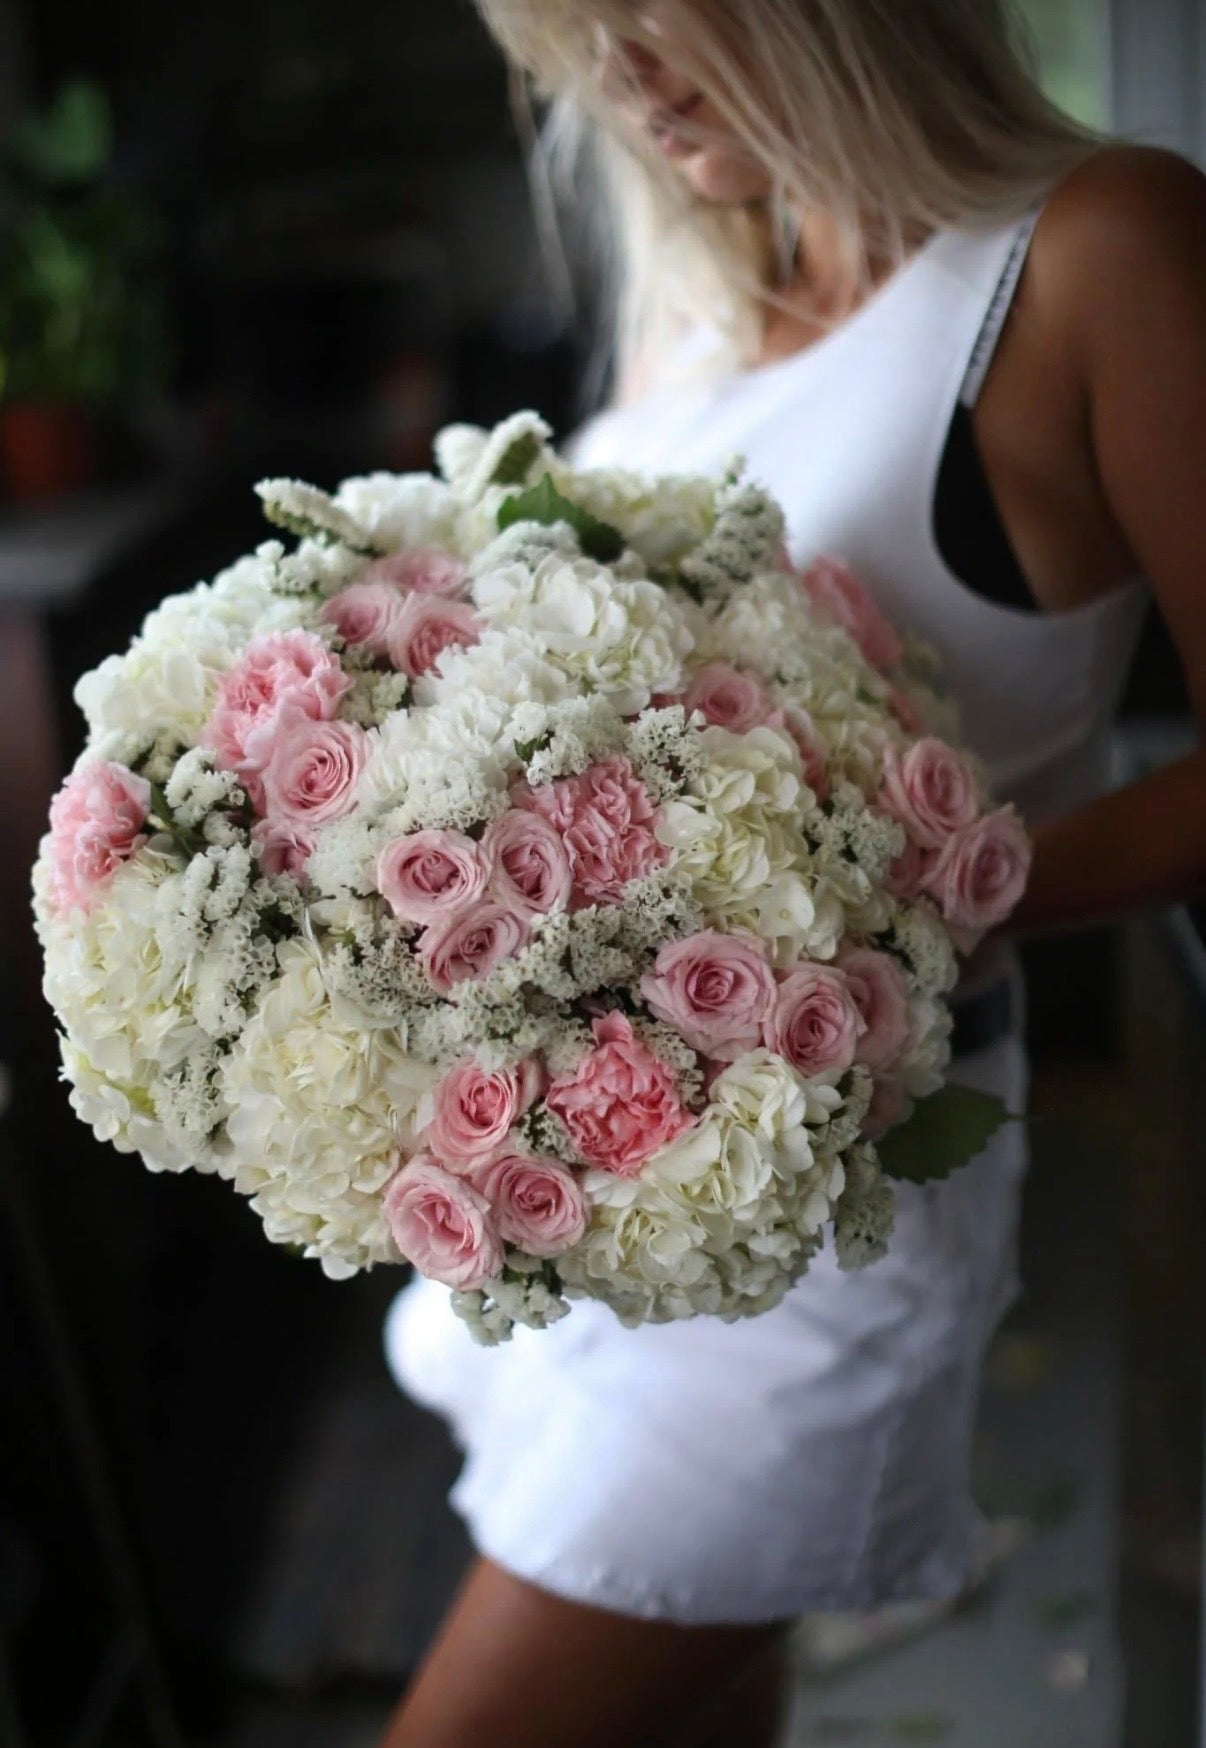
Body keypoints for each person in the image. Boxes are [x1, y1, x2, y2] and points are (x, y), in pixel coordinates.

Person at [378, 4, 1206, 1743]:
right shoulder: (699, 291)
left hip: (821, 1253)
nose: (616, 71)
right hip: (593, 1211)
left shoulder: (1086, 252)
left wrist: (904, 909)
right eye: (562, 30)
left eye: (644, 7)